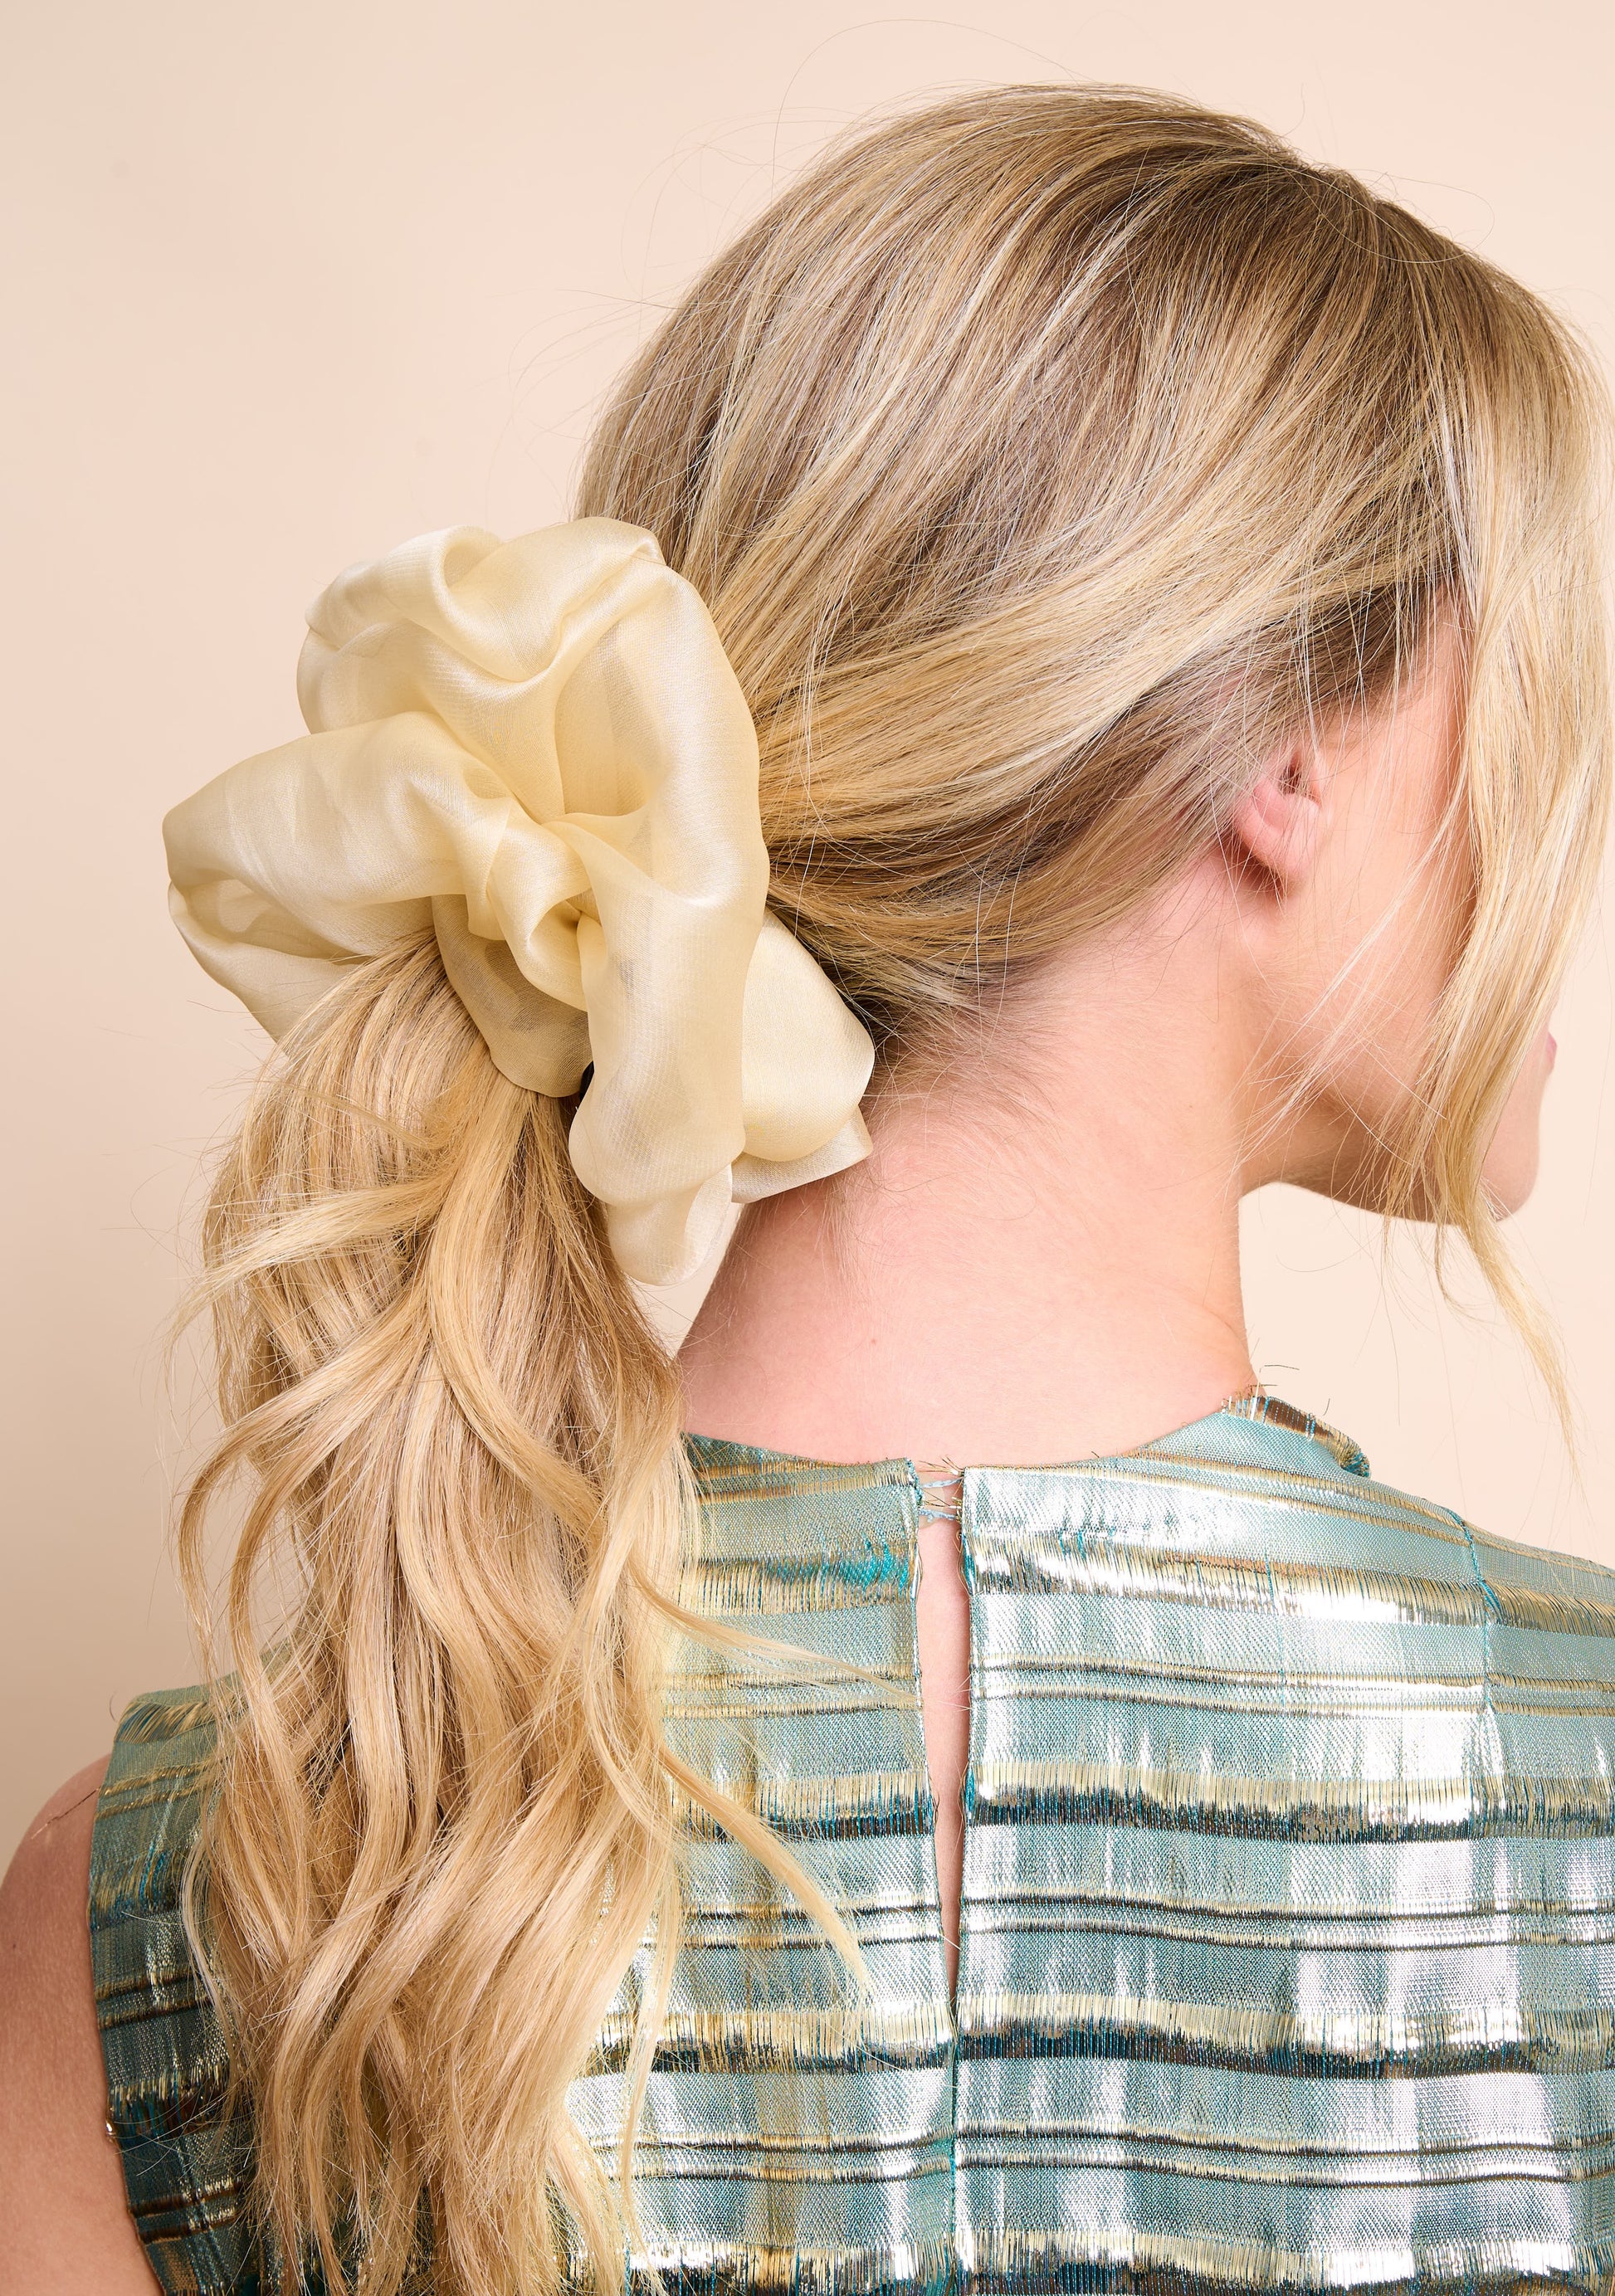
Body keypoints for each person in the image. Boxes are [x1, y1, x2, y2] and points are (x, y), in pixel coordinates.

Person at [2, 80, 1612, 2296]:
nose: (1567, 828)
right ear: (1282, 761)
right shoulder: (1586, 1790)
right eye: (1529, 696)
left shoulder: (183, 1889)